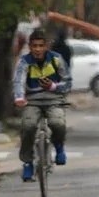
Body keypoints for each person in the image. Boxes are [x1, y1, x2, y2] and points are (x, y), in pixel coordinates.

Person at [13, 29, 71, 182]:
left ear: (46, 46)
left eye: (40, 45)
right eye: (34, 46)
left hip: (54, 99)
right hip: (32, 101)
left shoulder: (56, 59)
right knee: (28, 126)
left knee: (57, 123)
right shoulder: (25, 61)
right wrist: (19, 97)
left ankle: (59, 146)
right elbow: (18, 81)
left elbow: (68, 82)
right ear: (30, 46)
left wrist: (53, 86)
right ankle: (27, 163)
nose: (37, 49)